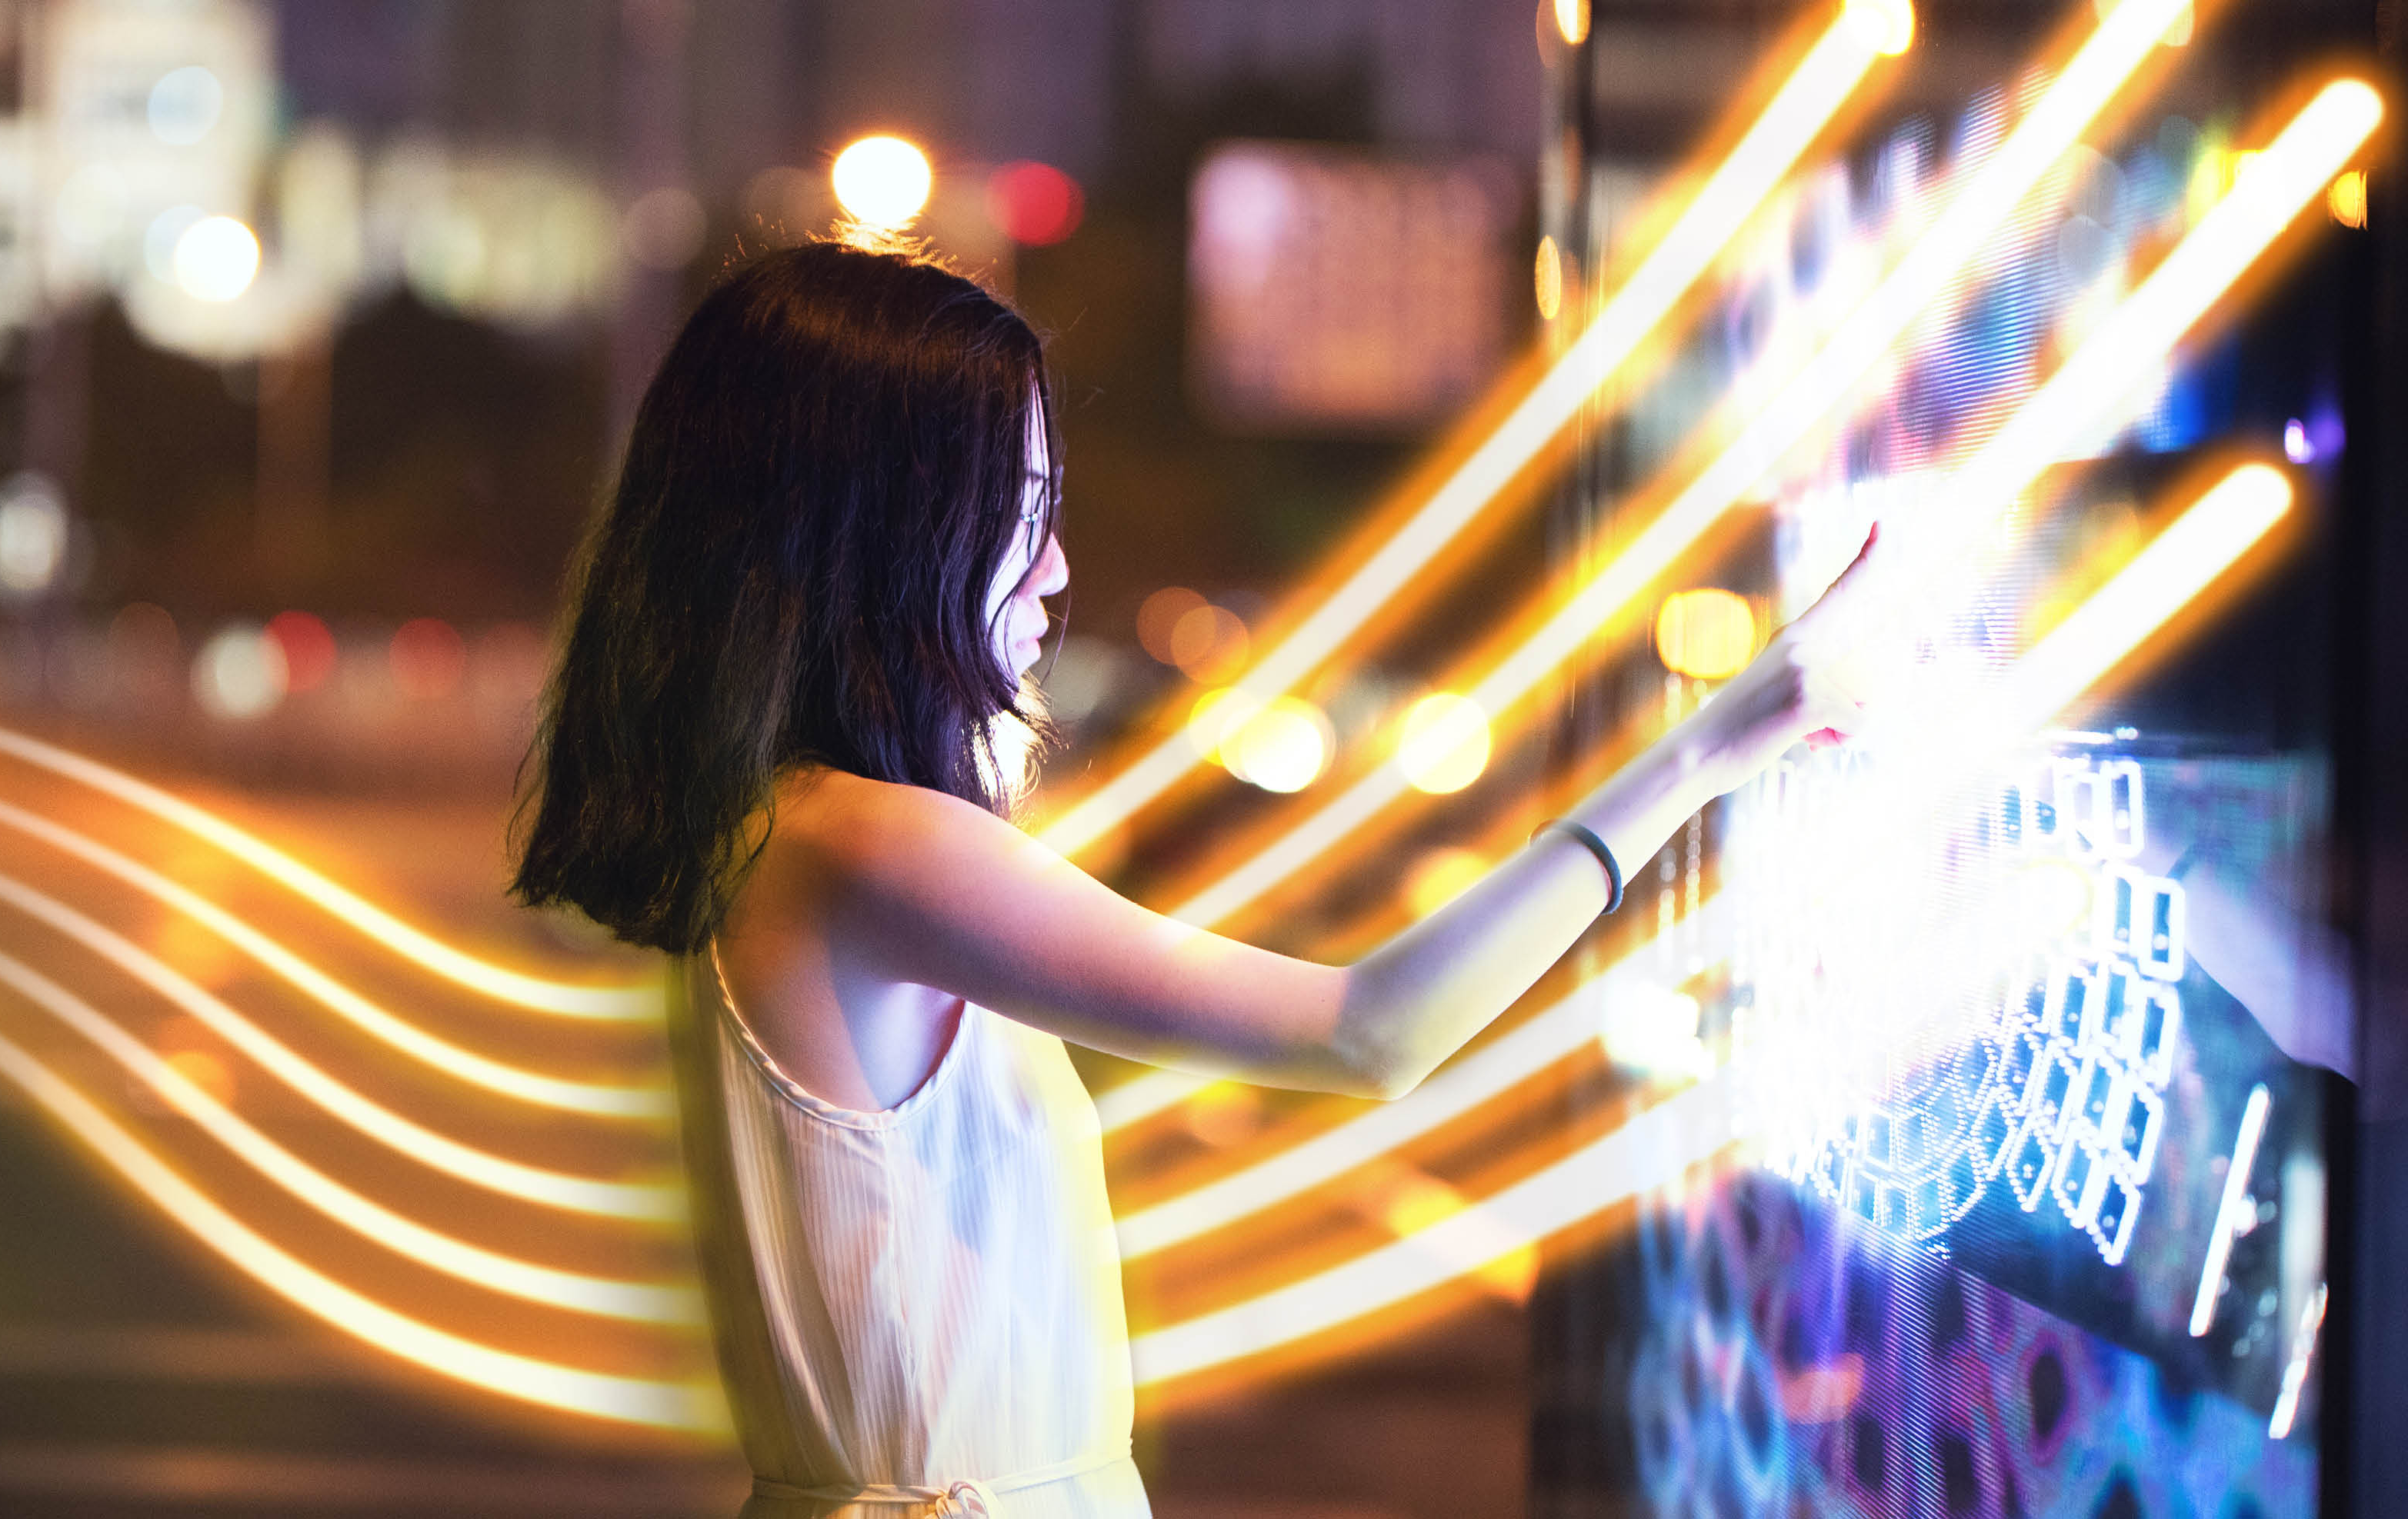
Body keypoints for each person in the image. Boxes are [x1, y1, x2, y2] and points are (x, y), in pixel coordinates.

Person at [512, 241, 1870, 1517]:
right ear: (889, 534)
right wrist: (1701, 753)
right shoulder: (868, 847)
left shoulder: (791, 836)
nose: (1054, 568)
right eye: (1020, 513)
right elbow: (1368, 1030)